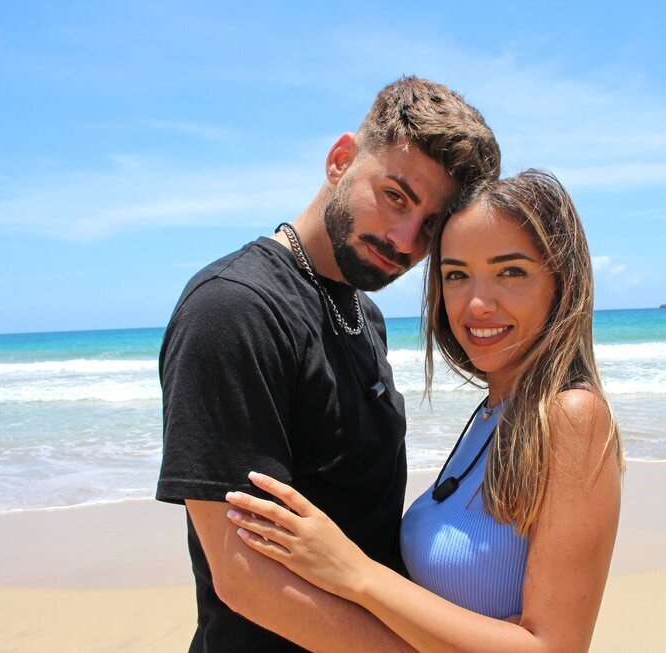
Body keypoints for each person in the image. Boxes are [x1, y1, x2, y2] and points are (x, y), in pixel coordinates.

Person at [156, 76, 500, 653]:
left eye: (431, 227)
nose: (404, 240)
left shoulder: (364, 313)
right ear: (341, 160)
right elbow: (244, 577)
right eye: (395, 196)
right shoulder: (234, 307)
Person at [225, 170, 625, 652]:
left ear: (561, 283)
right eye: (456, 275)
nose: (477, 303)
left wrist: (354, 572)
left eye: (511, 272)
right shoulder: (494, 413)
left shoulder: (571, 416)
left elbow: (552, 649)